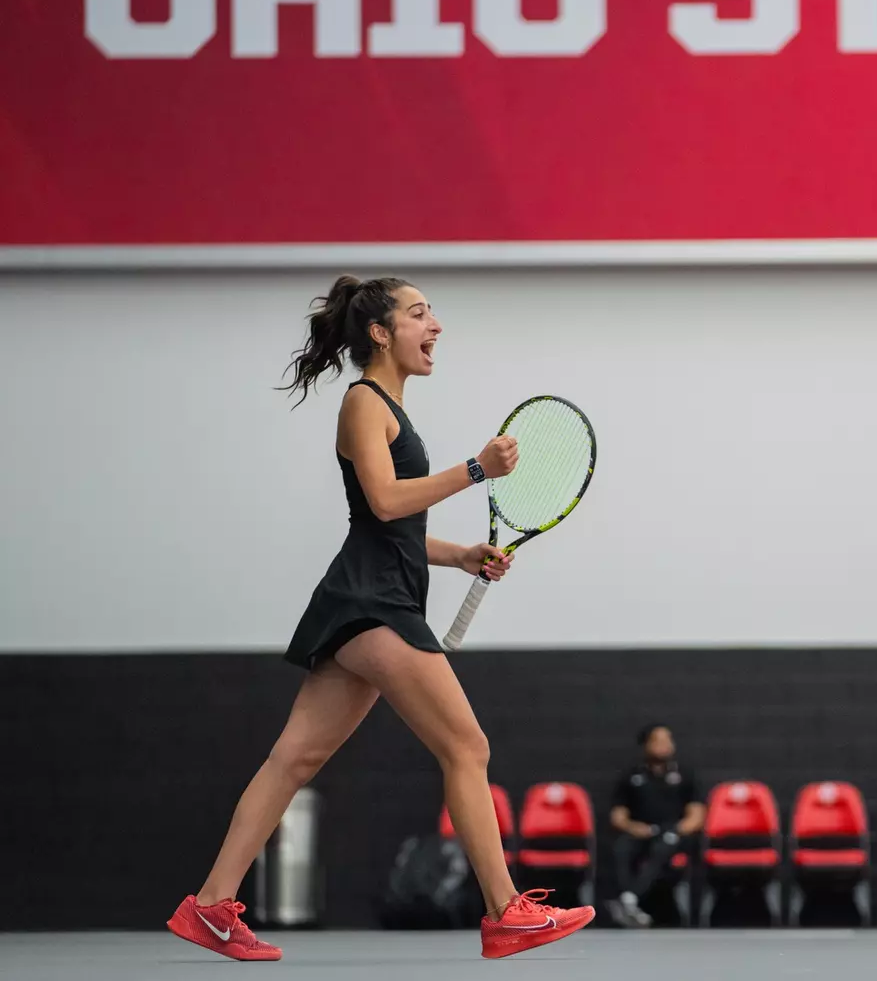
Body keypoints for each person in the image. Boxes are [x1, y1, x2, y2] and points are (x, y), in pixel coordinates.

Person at [166, 275, 595, 961]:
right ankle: (506, 911)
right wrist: (476, 469)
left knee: (293, 758)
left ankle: (210, 906)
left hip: (367, 599)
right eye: (419, 314)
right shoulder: (364, 402)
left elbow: (389, 527)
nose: (436, 326)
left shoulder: (389, 408)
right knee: (467, 748)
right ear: (380, 332)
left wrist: (459, 555)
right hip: (374, 606)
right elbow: (386, 501)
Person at [607, 724, 707, 928]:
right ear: (646, 745)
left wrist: (676, 830)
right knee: (622, 847)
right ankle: (629, 900)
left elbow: (697, 815)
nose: (664, 745)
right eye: (658, 741)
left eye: (668, 740)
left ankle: (629, 899)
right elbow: (618, 816)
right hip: (642, 832)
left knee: (663, 847)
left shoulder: (685, 775)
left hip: (673, 834)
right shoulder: (631, 776)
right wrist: (633, 827)